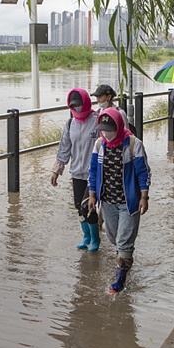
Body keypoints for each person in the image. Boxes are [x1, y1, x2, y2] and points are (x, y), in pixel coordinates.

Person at [88, 108, 151, 293]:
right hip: (108, 201)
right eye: (103, 129)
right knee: (113, 237)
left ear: (119, 125)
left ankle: (120, 278)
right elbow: (92, 171)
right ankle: (123, 259)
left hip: (129, 202)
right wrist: (92, 195)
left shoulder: (133, 144)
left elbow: (143, 172)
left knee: (124, 241)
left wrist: (144, 197)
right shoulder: (99, 145)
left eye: (110, 129)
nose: (106, 133)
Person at [51, 88, 101, 251]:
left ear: (86, 103)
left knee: (87, 206)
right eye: (74, 106)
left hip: (93, 174)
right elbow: (64, 147)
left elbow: (106, 143)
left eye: (79, 105)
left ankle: (95, 238)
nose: (77, 109)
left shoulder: (96, 121)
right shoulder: (70, 123)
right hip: (77, 172)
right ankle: (86, 236)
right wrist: (57, 170)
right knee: (78, 207)